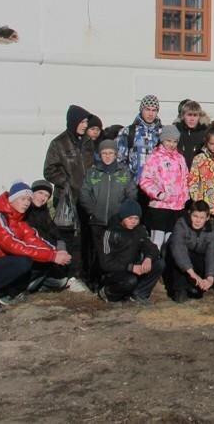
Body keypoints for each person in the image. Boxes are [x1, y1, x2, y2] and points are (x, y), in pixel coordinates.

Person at [0, 183, 69, 313]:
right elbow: (12, 245)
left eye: (29, 200)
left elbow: (34, 240)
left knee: (42, 261)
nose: (26, 203)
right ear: (12, 199)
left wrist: (57, 253)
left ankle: (5, 293)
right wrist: (52, 256)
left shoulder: (19, 220)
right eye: (22, 199)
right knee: (23, 261)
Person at [43, 104, 95, 291]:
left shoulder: (89, 142)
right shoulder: (59, 143)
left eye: (86, 122)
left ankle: (82, 273)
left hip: (86, 198)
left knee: (85, 237)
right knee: (67, 236)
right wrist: (67, 182)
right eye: (82, 121)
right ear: (73, 122)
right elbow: (49, 170)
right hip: (67, 199)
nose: (84, 125)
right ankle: (68, 275)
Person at [78, 138, 139, 285]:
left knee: (114, 252)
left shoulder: (123, 173)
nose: (107, 156)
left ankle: (113, 279)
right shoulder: (93, 173)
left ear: (116, 154)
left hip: (116, 221)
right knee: (97, 252)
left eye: (111, 153)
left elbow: (131, 193)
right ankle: (94, 280)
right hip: (97, 221)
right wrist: (92, 211)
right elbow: (84, 194)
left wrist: (123, 214)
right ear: (99, 154)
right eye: (104, 153)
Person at [96, 200, 162, 304]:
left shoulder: (140, 230)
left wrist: (148, 258)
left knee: (159, 264)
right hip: (115, 272)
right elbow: (105, 263)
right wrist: (130, 267)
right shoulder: (110, 232)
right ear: (123, 217)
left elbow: (152, 247)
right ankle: (108, 293)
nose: (133, 221)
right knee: (130, 281)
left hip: (134, 269)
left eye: (136, 218)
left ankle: (139, 294)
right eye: (130, 218)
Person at [138, 124, 190, 248]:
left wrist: (185, 196)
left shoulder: (180, 158)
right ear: (162, 140)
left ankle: (169, 267)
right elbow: (145, 180)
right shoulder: (154, 157)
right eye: (168, 140)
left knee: (173, 242)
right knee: (157, 242)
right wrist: (159, 194)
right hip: (160, 206)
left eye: (175, 141)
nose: (172, 144)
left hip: (178, 207)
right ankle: (153, 265)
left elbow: (186, 178)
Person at [165, 201, 214, 303]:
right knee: (176, 257)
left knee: (198, 294)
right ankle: (179, 289)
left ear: (207, 218)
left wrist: (210, 278)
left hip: (198, 258)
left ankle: (194, 286)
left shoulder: (212, 228)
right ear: (189, 213)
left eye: (201, 217)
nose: (198, 221)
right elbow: (178, 250)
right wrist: (193, 274)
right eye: (195, 216)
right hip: (182, 259)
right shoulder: (181, 224)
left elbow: (212, 254)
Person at [23, 180, 72, 292]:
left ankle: (38, 283)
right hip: (32, 254)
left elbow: (55, 233)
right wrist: (53, 253)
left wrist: (62, 250)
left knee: (61, 281)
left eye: (47, 196)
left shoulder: (44, 212)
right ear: (32, 193)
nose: (43, 198)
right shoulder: (24, 210)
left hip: (48, 254)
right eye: (40, 193)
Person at [116, 94, 162, 181]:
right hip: (134, 184)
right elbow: (120, 160)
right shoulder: (128, 131)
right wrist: (125, 182)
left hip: (156, 186)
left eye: (154, 110)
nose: (150, 113)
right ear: (141, 110)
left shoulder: (161, 133)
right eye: (147, 109)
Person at [175, 100, 208, 169]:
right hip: (180, 172)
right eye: (189, 115)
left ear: (199, 117)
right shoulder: (177, 131)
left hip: (198, 172)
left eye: (195, 115)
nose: (192, 119)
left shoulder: (205, 133)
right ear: (183, 116)